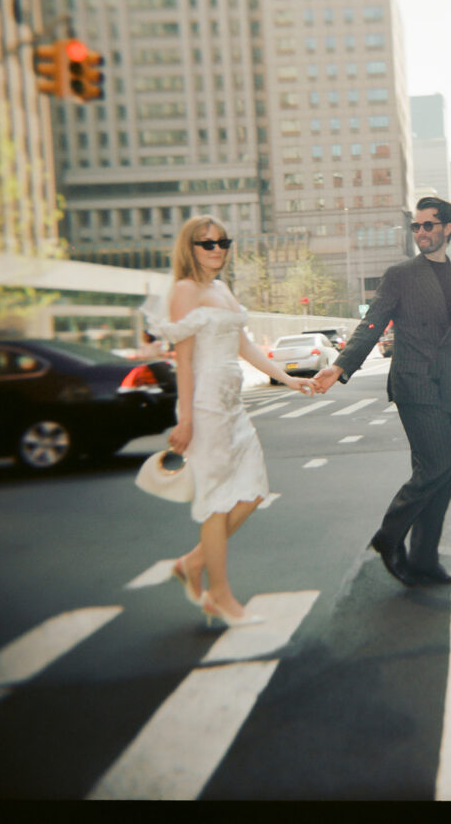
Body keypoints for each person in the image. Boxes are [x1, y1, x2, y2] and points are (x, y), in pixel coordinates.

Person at [313, 197, 451, 586]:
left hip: (448, 388)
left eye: (428, 225)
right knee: (435, 466)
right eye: (416, 226)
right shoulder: (400, 275)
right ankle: (389, 538)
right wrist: (340, 365)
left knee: (447, 473)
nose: (420, 232)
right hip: (414, 385)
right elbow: (373, 324)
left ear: (447, 229)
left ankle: (423, 558)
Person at [146, 215, 317, 627]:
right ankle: (219, 596)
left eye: (222, 241)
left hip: (233, 405)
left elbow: (243, 346)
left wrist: (288, 379)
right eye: (207, 244)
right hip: (205, 407)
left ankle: (192, 563)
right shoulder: (185, 290)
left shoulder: (221, 288)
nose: (217, 249)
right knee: (218, 502)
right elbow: (183, 361)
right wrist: (185, 419)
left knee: (253, 490)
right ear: (190, 248)